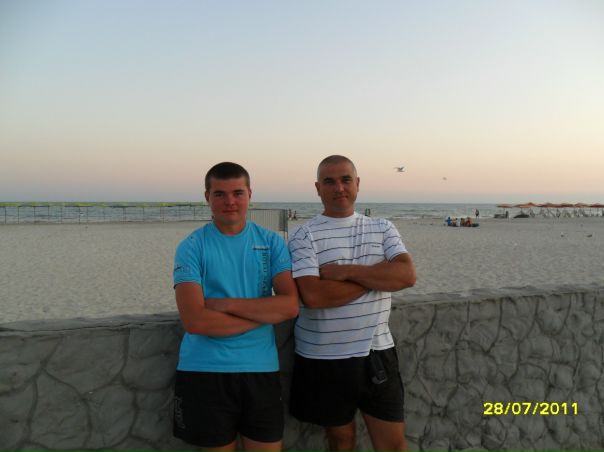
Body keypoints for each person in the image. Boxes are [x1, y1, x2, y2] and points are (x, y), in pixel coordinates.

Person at [287, 155, 416, 452]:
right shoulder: (303, 235)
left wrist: (346, 272)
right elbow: (314, 296)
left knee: (393, 445)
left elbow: (407, 275)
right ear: (318, 188)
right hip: (324, 356)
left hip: (377, 353)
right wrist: (377, 276)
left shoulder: (383, 227)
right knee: (341, 441)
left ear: (357, 183)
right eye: (329, 182)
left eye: (346, 180)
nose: (339, 188)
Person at [172, 162, 299, 452]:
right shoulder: (191, 246)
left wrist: (227, 304)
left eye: (237, 193)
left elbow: (290, 305)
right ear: (207, 197)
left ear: (249, 194)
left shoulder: (271, 242)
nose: (229, 201)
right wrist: (264, 315)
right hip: (204, 370)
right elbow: (196, 322)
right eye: (220, 194)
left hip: (261, 369)